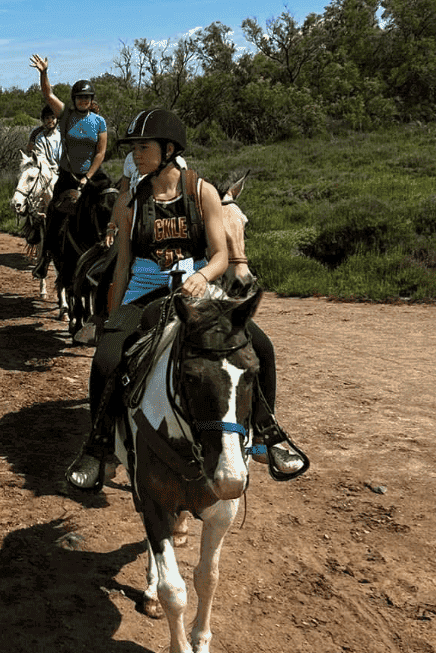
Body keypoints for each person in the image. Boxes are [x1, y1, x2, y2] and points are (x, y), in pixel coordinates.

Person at [66, 107, 307, 491]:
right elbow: (124, 264)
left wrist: (201, 276)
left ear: (168, 149)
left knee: (261, 345)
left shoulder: (201, 191)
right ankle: (98, 447)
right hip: (146, 291)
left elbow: (220, 256)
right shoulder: (133, 200)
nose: (135, 155)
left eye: (143, 147)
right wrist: (113, 317)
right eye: (134, 148)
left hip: (198, 290)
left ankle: (266, 434)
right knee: (106, 359)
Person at [29, 55, 109, 279]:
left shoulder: (98, 122)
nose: (83, 100)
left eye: (87, 97)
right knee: (54, 212)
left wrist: (88, 177)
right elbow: (48, 94)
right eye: (80, 97)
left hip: (91, 174)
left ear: (91, 99)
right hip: (67, 175)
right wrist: (44, 73)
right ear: (74, 99)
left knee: (111, 201)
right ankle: (44, 258)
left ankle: (115, 250)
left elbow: (101, 152)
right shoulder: (65, 116)